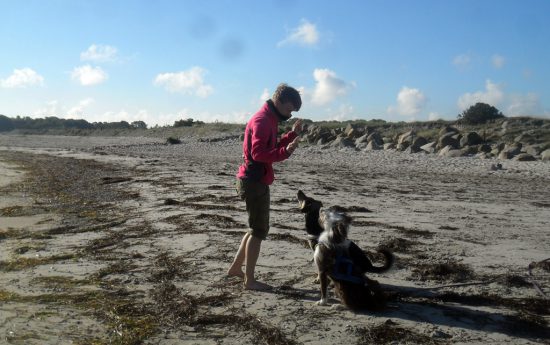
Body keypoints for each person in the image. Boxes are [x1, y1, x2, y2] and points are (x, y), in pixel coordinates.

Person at [227, 83, 303, 290]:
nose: (289, 114)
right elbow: (259, 154)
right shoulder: (262, 120)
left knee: (255, 229)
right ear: (279, 102)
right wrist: (285, 152)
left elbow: (270, 147)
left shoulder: (269, 118)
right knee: (258, 232)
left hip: (254, 180)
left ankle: (235, 268)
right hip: (253, 181)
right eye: (289, 109)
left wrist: (291, 136)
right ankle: (249, 281)